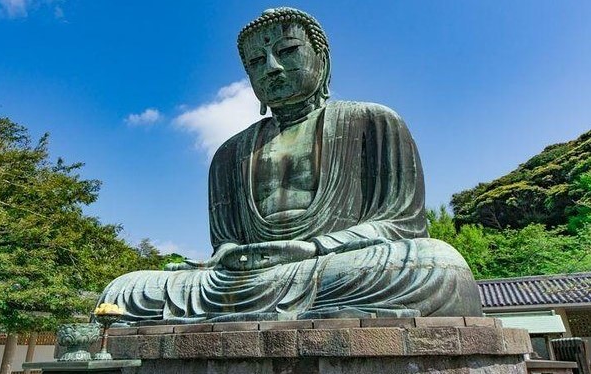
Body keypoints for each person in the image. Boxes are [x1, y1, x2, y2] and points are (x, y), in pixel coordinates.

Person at [98, 7, 483, 322]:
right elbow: (226, 243)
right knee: (123, 290)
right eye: (255, 62)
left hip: (334, 265)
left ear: (322, 58)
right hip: (247, 279)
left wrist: (312, 248)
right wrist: (230, 254)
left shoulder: (372, 122)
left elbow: (403, 225)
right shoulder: (230, 153)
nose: (271, 68)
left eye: (286, 52)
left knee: (438, 265)